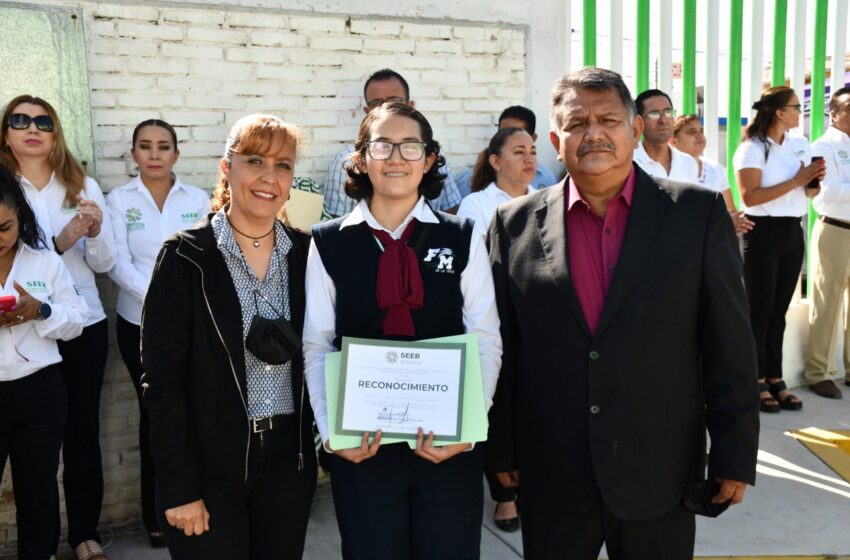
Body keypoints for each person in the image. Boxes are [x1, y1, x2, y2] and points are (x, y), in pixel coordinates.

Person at [486, 68, 759, 559]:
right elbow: (506, 348)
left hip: (660, 468)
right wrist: (501, 451)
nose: (593, 133)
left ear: (634, 130)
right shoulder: (513, 224)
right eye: (576, 123)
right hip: (552, 469)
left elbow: (729, 344)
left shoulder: (696, 214)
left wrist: (735, 451)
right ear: (556, 139)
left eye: (608, 119)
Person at [303, 102, 502, 559]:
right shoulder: (329, 241)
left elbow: (485, 337)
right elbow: (316, 343)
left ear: (430, 159)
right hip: (363, 450)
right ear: (361, 159)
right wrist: (332, 432)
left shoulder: (461, 235)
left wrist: (468, 428)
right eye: (382, 145)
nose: (396, 158)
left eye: (411, 146)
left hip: (448, 447)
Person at [141, 114, 317, 559]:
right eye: (254, 160)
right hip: (209, 462)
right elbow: (161, 381)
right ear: (227, 168)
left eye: (283, 165)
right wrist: (179, 487)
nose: (268, 177)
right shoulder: (186, 257)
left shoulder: (307, 255)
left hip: (287, 463)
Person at [0, 95, 116, 560]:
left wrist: (96, 232)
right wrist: (62, 240)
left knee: (82, 432)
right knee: (31, 448)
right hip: (19, 328)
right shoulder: (3, 185)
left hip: (79, 320)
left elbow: (104, 263)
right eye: (20, 120)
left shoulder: (81, 183)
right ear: (6, 131)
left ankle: (84, 533)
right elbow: (28, 250)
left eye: (43, 121)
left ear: (56, 132)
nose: (33, 128)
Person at [106, 119, 210, 548]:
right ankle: (157, 512)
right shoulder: (118, 200)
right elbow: (116, 260)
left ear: (176, 154)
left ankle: (201, 500)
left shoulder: (197, 198)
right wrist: (160, 299)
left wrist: (181, 305)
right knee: (157, 415)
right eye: (145, 146)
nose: (154, 154)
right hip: (139, 323)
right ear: (133, 153)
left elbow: (207, 255)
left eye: (163, 146)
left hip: (193, 324)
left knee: (198, 410)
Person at [0, 163, 89, 560]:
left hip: (39, 393)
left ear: (19, 216)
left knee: (37, 491)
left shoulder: (43, 262)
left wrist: (41, 312)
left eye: (4, 228)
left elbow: (77, 322)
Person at [457, 126, 536, 532]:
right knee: (500, 407)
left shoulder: (547, 196)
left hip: (539, 319)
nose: (529, 159)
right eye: (519, 151)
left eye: (533, 151)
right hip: (497, 316)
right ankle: (505, 495)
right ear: (495, 161)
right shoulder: (476, 203)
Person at [733, 86, 825, 412]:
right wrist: (799, 180)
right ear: (779, 112)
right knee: (758, 312)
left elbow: (809, 194)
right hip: (761, 233)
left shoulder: (801, 144)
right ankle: (754, 380)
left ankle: (774, 376)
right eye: (796, 106)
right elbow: (750, 197)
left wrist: (814, 181)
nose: (801, 111)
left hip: (791, 229)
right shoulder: (752, 149)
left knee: (777, 313)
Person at [321, 68, 462, 218]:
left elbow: (451, 208)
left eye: (394, 100)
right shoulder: (344, 161)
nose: (386, 107)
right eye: (376, 102)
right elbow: (336, 221)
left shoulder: (431, 152)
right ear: (366, 110)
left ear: (410, 105)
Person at [806, 86, 850, 399]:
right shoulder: (822, 146)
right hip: (835, 229)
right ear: (834, 114)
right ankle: (817, 372)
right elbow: (826, 193)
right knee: (826, 304)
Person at [670, 114, 754, 235]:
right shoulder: (667, 171)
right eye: (691, 132)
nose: (699, 135)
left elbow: (731, 211)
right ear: (673, 141)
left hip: (712, 245)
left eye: (701, 131)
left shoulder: (715, 169)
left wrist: (737, 222)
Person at [455, 105, 557, 197]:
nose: (510, 137)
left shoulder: (547, 179)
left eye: (518, 133)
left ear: (532, 138)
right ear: (495, 161)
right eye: (504, 133)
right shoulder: (469, 181)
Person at [633, 89, 699, 182]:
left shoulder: (688, 163)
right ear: (639, 122)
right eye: (654, 114)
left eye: (668, 112)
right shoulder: (629, 162)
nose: (663, 120)